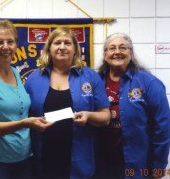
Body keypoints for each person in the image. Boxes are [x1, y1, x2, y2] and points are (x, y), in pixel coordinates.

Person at [0, 19, 52, 179]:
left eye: (10, 41)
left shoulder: (14, 72)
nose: (5, 47)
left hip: (23, 161)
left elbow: (18, 111)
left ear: (16, 45)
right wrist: (25, 123)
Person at [25, 27, 111, 179]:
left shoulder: (90, 76)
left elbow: (106, 117)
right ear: (49, 48)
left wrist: (88, 115)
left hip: (79, 159)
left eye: (67, 43)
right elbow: (24, 115)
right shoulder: (34, 78)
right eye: (57, 42)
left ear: (75, 49)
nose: (62, 47)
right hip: (43, 158)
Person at [95, 33, 170, 179]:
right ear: (105, 54)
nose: (117, 51)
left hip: (138, 163)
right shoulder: (95, 81)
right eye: (112, 48)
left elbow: (163, 126)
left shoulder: (149, 82)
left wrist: (159, 164)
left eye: (123, 47)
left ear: (130, 53)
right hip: (101, 163)